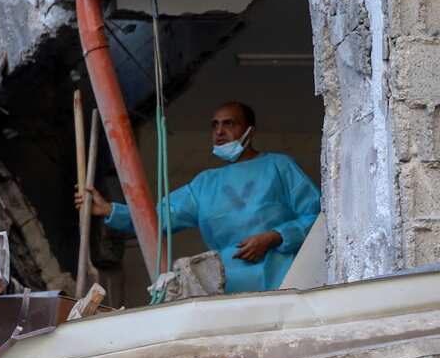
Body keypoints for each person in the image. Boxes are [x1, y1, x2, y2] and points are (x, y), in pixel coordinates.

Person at [76, 101, 320, 293]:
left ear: (250, 131)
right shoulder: (205, 184)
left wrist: (275, 237)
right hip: (228, 286)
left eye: (229, 124)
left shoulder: (279, 166)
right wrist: (110, 210)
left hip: (285, 282)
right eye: (215, 125)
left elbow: (319, 218)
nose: (219, 132)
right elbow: (158, 218)